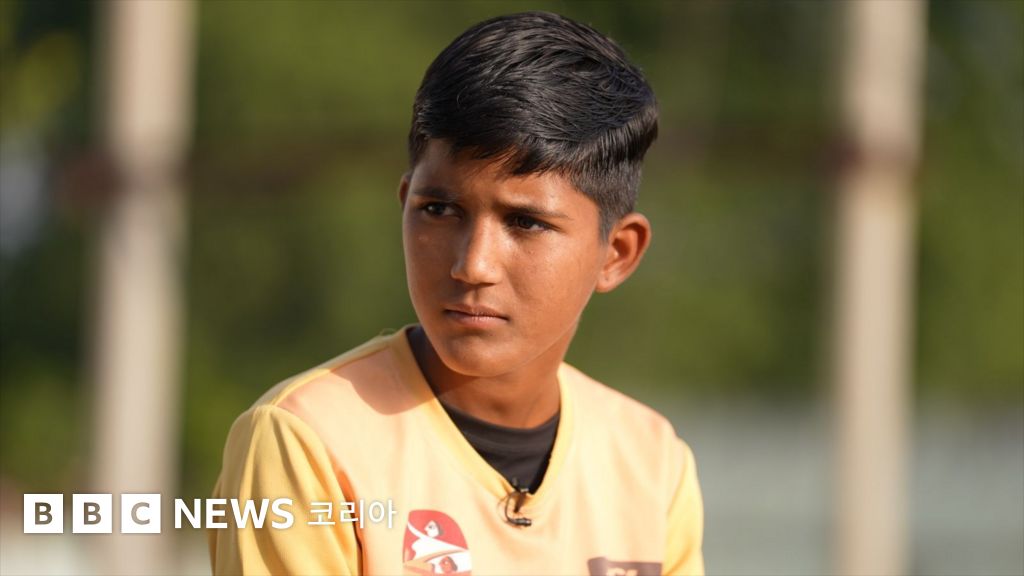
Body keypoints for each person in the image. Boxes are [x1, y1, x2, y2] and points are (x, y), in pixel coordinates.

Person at [209, 11, 703, 576]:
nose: (473, 265)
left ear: (616, 254)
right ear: (404, 204)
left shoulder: (651, 462)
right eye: (440, 210)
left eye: (526, 222)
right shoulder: (307, 439)